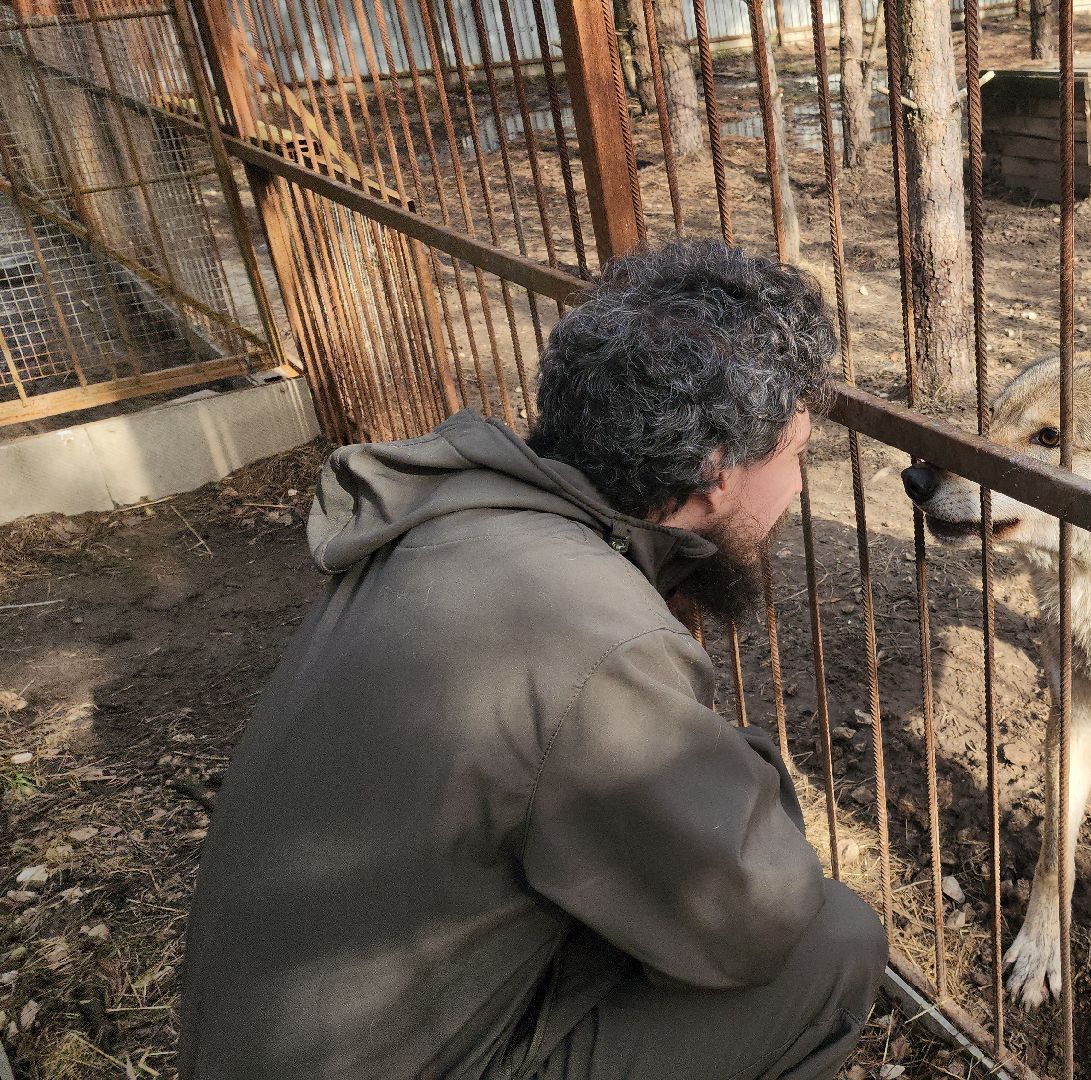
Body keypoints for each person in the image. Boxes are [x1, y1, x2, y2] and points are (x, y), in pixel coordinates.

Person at [178, 240, 886, 1080]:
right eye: (797, 453)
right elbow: (752, 915)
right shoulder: (599, 638)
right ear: (716, 470)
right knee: (835, 943)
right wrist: (742, 766)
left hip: (265, 1039)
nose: (799, 487)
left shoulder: (448, 519)